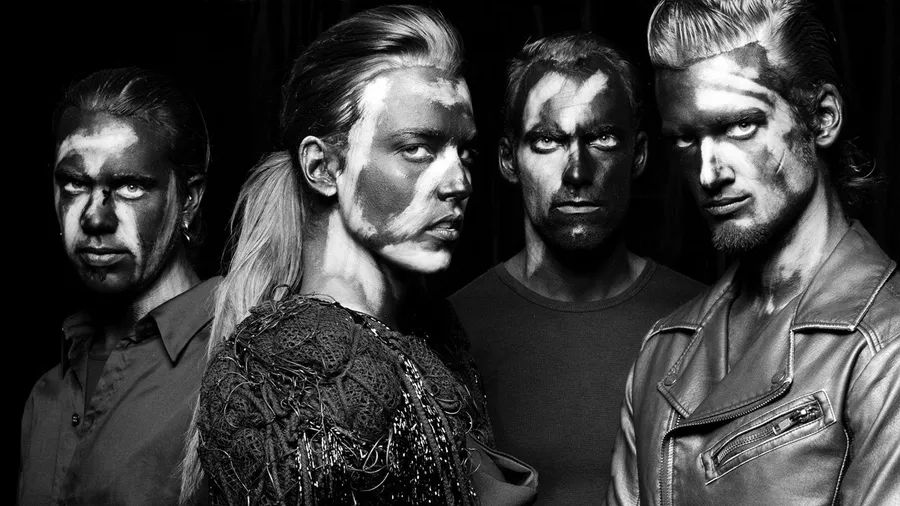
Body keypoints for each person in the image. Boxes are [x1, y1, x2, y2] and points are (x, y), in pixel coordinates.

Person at [180, 5, 538, 505]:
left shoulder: (429, 333)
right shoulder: (301, 372)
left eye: (465, 152)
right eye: (417, 148)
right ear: (323, 168)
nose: (459, 182)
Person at [606, 1, 899, 505]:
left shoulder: (885, 345)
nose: (708, 173)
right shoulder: (661, 352)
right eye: (686, 139)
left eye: (740, 126)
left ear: (822, 118)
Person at [449, 33, 704, 504]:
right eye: (547, 140)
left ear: (639, 154)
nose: (576, 172)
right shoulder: (449, 333)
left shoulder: (704, 320)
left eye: (602, 138)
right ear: (508, 159)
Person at [19, 67, 217, 505]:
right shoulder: (47, 397)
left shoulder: (235, 367)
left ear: (189, 199)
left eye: (129, 186)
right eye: (74, 183)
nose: (95, 217)